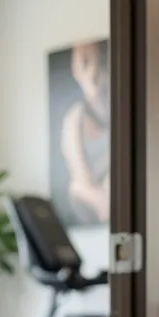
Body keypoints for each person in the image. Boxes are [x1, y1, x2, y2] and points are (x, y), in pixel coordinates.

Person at [60, 41, 110, 224]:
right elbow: (82, 182)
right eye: (86, 64)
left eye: (101, 64)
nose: (95, 73)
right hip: (90, 197)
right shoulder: (76, 118)